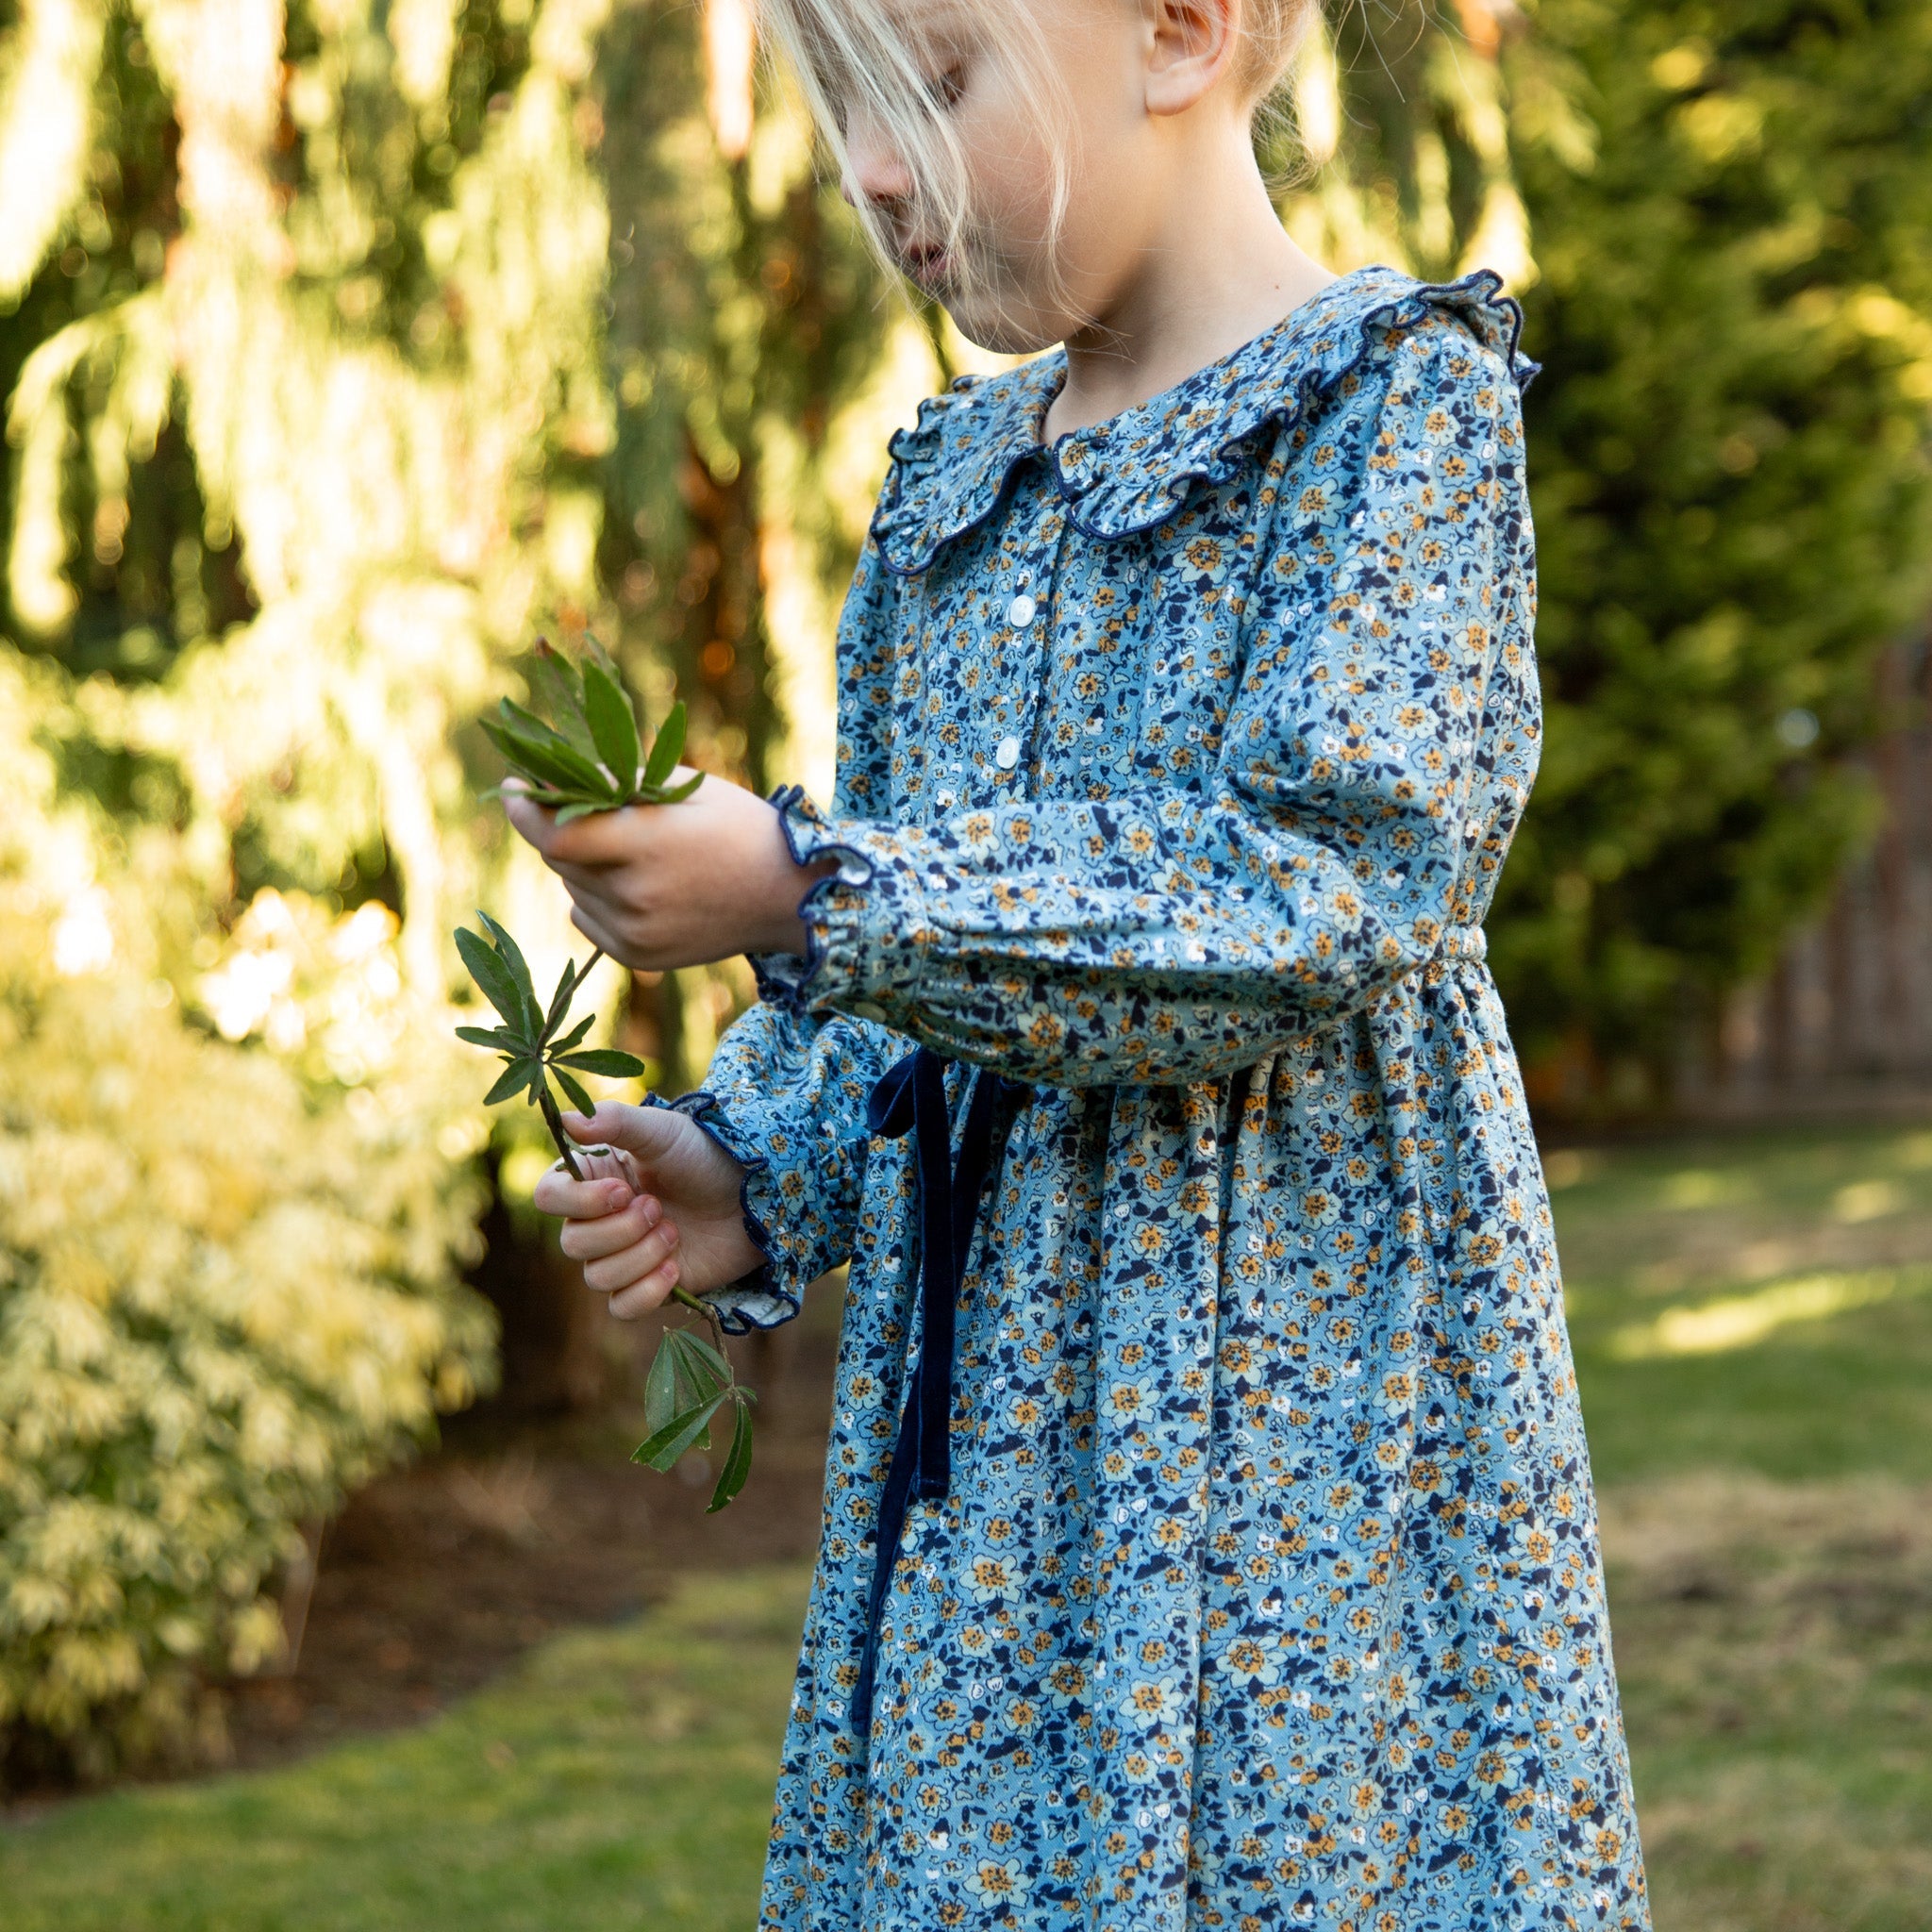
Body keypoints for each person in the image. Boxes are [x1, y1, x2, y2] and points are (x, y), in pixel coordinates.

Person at [508, 0, 1652, 1924]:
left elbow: (1310, 892)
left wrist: (815, 887)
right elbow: (908, 994)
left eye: (934, 84)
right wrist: (751, 1167)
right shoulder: (951, 491)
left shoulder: (1389, 409)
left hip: (1298, 1443)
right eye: (848, 107)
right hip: (991, 1499)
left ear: (1183, 30)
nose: (874, 170)